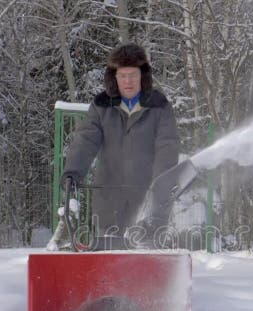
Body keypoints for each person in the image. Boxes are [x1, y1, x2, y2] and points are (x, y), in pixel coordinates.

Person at [62, 43, 180, 237]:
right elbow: (85, 141)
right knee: (106, 261)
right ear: (114, 77)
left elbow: (167, 146)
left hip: (147, 206)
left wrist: (161, 185)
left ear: (142, 75)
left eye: (133, 75)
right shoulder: (101, 106)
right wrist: (72, 173)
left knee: (145, 262)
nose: (128, 81)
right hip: (108, 203)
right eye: (122, 75)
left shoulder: (159, 106)